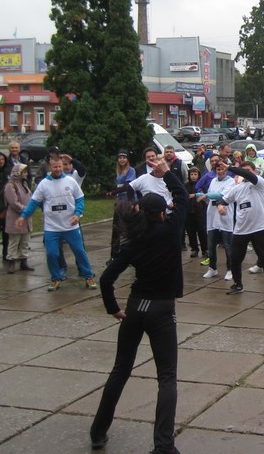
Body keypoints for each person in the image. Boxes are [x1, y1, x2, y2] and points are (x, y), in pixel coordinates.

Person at [90, 156, 186, 454]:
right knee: (167, 377)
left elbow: (106, 279)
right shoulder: (171, 232)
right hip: (160, 310)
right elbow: (182, 196)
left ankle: (98, 432)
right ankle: (163, 446)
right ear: (161, 214)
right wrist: (168, 173)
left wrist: (114, 309)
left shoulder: (132, 242)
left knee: (120, 370)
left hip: (134, 308)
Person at [17, 156, 97, 291]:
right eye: (55, 167)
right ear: (50, 167)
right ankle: (55, 279)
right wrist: (23, 216)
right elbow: (34, 202)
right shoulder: (43, 184)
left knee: (79, 251)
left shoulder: (71, 181)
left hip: (70, 226)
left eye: (60, 166)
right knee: (52, 254)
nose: (58, 169)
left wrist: (77, 214)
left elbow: (80, 199)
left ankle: (88, 276)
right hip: (52, 228)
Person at [216, 160, 264, 297]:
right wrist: (221, 206)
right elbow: (224, 200)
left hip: (259, 228)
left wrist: (231, 168)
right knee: (235, 259)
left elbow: (247, 175)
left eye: (249, 171)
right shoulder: (237, 189)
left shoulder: (259, 183)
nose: (246, 173)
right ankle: (238, 284)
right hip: (241, 230)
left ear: (254, 171)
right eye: (244, 171)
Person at [199, 160, 235, 280]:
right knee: (211, 245)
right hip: (212, 216)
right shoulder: (213, 181)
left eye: (222, 169)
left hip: (225, 216)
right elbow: (210, 196)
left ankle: (230, 269)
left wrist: (206, 195)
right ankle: (212, 268)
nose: (220, 172)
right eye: (218, 170)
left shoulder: (231, 182)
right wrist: (202, 197)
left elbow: (221, 195)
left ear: (226, 170)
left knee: (228, 245)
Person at [3, 164, 34, 273]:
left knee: (25, 241)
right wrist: (26, 209)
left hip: (26, 218)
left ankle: (23, 261)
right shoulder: (10, 185)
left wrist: (31, 207)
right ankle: (11, 261)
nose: (26, 174)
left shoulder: (24, 184)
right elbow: (13, 202)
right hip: (15, 218)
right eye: (24, 172)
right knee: (14, 241)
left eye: (26, 172)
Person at [110, 150, 136, 259]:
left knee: (128, 229)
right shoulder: (119, 172)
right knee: (116, 229)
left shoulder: (131, 171)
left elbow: (126, 186)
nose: (122, 159)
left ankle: (131, 254)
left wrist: (113, 192)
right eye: (120, 157)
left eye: (124, 158)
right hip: (119, 203)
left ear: (128, 159)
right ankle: (114, 255)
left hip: (127, 203)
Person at [185, 167, 208, 259]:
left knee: (202, 231)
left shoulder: (202, 185)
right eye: (191, 174)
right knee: (191, 231)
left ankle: (205, 249)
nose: (193, 176)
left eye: (195, 174)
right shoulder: (186, 185)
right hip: (189, 212)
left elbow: (205, 196)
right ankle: (194, 249)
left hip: (200, 211)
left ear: (198, 175)